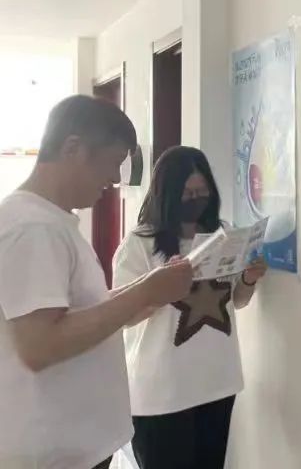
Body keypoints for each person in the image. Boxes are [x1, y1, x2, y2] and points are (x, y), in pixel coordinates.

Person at [0, 95, 194, 469]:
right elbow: (40, 344)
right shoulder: (32, 227)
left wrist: (149, 293)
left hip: (72, 448)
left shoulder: (51, 222)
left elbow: (80, 312)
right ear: (73, 149)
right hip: (51, 454)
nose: (115, 180)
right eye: (112, 163)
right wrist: (144, 291)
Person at [113, 146, 267, 469]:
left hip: (217, 382)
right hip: (162, 393)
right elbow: (123, 317)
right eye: (188, 193)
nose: (197, 199)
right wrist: (161, 289)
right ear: (168, 195)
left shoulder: (222, 234)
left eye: (202, 191)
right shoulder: (139, 244)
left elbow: (236, 301)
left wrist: (248, 279)